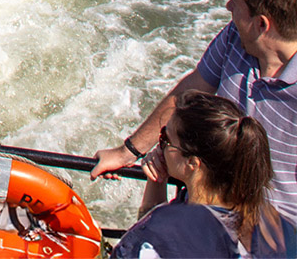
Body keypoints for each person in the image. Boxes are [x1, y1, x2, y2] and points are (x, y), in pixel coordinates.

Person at [92, 0, 297, 224]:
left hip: (275, 235)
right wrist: (126, 153)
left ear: (262, 24)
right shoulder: (235, 37)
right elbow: (187, 94)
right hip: (204, 211)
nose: (227, 6)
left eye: (235, 3)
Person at [112, 92, 297, 257]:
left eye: (165, 140)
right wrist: (157, 180)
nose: (160, 148)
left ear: (192, 163)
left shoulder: (161, 232)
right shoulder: (272, 224)